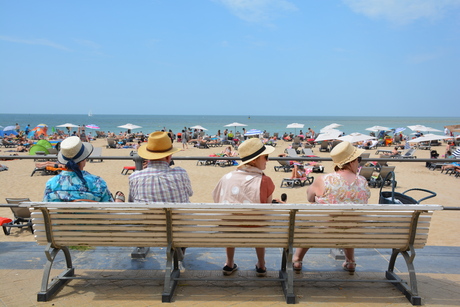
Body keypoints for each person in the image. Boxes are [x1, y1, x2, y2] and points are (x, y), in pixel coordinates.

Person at [292, 141, 371, 275]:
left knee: (310, 220)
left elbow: (310, 198)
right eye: (358, 159)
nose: (359, 163)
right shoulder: (363, 181)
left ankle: (298, 259)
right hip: (354, 231)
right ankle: (350, 260)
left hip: (323, 232)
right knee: (349, 217)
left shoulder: (324, 179)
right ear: (351, 162)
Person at [212, 138, 276, 277]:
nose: (268, 160)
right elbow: (268, 208)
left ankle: (229, 263)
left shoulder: (226, 177)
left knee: (230, 219)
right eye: (266, 157)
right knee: (259, 222)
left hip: (229, 229)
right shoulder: (264, 180)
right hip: (255, 229)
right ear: (254, 161)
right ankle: (261, 264)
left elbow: (217, 199)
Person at [43, 136, 123, 202]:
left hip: (59, 221)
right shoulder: (98, 182)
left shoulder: (51, 184)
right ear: (83, 159)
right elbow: (109, 209)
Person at [128, 131, 193, 203]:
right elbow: (190, 193)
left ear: (148, 156)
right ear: (169, 156)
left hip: (148, 214)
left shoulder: (135, 177)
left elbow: (131, 200)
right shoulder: (181, 173)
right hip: (177, 214)